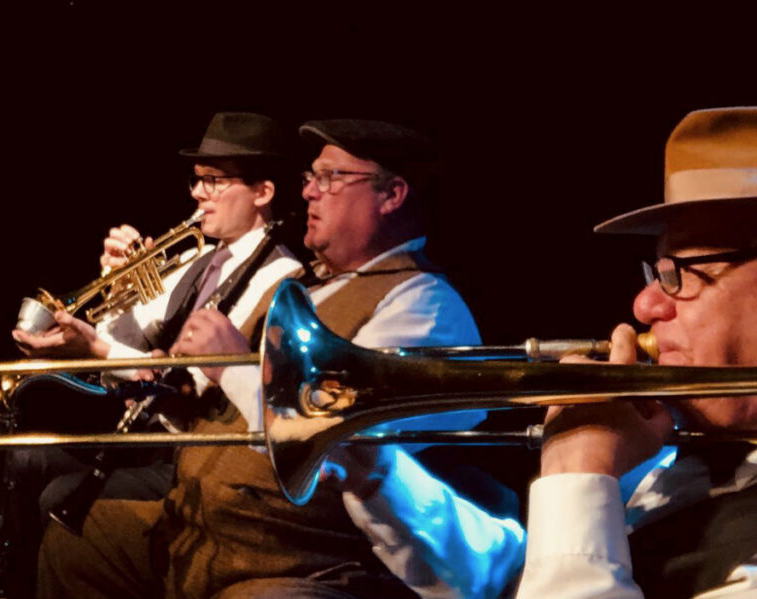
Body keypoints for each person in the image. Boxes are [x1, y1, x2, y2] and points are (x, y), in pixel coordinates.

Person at [38, 119, 526, 599]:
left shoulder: (422, 304)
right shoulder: (305, 288)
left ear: (391, 195)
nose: (310, 193)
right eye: (310, 178)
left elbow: (339, 435)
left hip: (300, 557)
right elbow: (221, 410)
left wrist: (229, 363)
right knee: (78, 541)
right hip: (202, 523)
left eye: (330, 178)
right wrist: (167, 395)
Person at [5, 112, 303, 597]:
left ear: (263, 193)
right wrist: (120, 283)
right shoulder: (198, 258)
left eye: (214, 181)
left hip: (191, 451)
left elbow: (189, 385)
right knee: (23, 460)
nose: (197, 193)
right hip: (144, 431)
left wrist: (97, 345)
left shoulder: (280, 278)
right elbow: (125, 341)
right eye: (197, 180)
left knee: (60, 498)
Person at [516, 107, 757, 599]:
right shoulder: (677, 469)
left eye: (684, 272)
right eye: (657, 272)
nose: (645, 304)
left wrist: (574, 475)